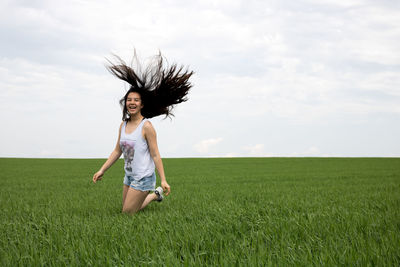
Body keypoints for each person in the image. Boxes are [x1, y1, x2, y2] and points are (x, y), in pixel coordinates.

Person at [92, 51, 194, 214]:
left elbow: (155, 155)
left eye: (136, 100)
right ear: (125, 103)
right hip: (130, 175)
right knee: (128, 209)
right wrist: (102, 170)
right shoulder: (123, 125)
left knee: (127, 213)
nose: (131, 103)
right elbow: (117, 150)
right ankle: (155, 195)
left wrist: (163, 179)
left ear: (142, 105)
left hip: (144, 177)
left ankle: (154, 194)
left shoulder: (146, 126)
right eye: (129, 100)